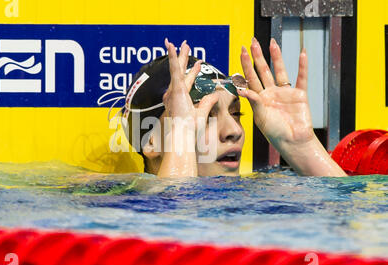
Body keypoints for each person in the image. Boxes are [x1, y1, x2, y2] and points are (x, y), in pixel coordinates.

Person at [120, 38, 347, 178]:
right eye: (205, 115)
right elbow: (171, 241)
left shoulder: (262, 197)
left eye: (236, 113)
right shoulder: (118, 204)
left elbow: (355, 228)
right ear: (152, 141)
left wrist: (302, 148)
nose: (234, 131)